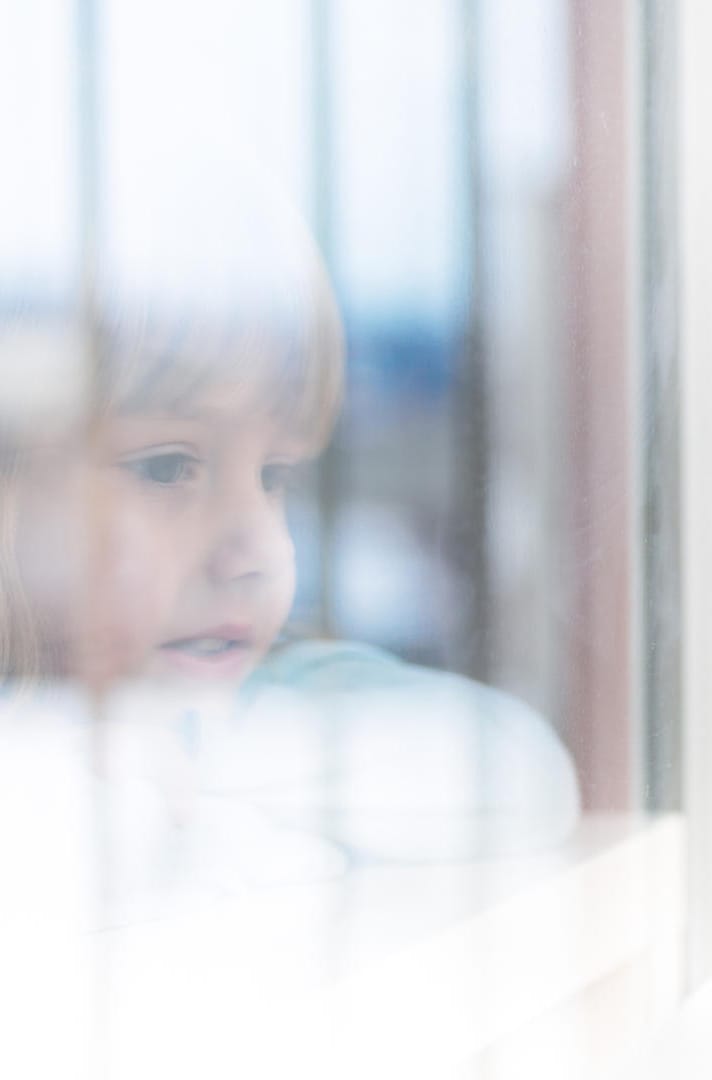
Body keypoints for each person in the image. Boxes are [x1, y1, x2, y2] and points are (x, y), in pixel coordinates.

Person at [0, 145, 579, 927]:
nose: (256, 551)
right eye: (168, 468)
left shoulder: (263, 702)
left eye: (275, 477)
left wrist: (184, 787)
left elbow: (516, 765)